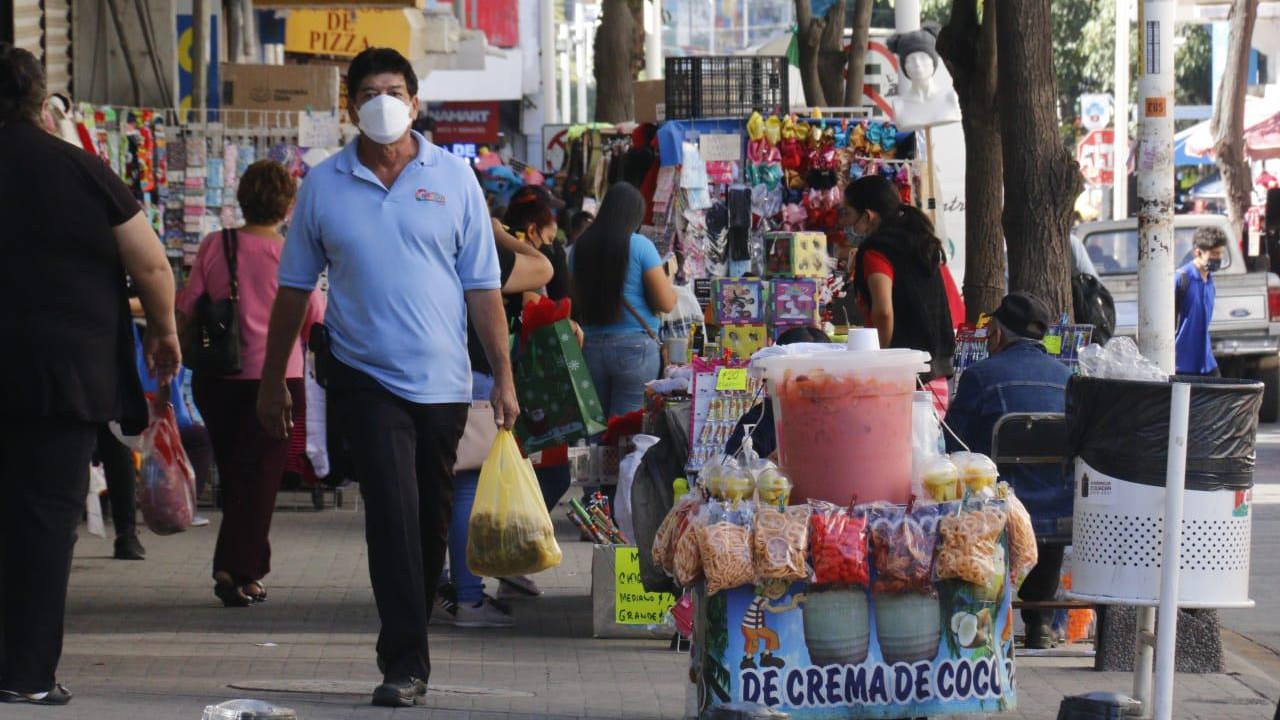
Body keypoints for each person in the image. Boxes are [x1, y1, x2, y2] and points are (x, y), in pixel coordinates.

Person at [256, 47, 517, 708]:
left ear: (416, 102)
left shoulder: (454, 180)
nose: (382, 101)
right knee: (392, 514)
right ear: (349, 105)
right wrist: (272, 380)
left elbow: (483, 286)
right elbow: (292, 290)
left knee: (428, 519)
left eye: (393, 90)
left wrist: (505, 378)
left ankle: (412, 624)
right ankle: (404, 659)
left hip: (445, 383)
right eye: (369, 91)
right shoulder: (323, 184)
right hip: (363, 377)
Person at [0, 43, 180, 706]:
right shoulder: (81, 169)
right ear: (38, 101)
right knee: (45, 524)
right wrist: (163, 331)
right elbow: (153, 265)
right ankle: (27, 675)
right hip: (63, 377)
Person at [178, 159, 325, 608]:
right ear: (288, 205)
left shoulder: (214, 245)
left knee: (239, 474)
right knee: (261, 478)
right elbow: (315, 318)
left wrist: (187, 358)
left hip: (219, 377)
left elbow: (186, 307)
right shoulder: (291, 252)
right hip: (279, 378)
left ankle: (251, 570)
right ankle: (234, 569)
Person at [942, 292, 1072, 649]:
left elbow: (951, 441)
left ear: (997, 334)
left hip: (998, 512)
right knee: (1045, 501)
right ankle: (1040, 622)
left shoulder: (981, 376)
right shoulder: (1068, 378)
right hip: (1058, 509)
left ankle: (982, 622)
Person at [844, 175, 955, 411]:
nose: (846, 225)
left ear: (868, 216)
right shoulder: (921, 243)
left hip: (904, 380)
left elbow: (883, 311)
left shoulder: (876, 251)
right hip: (936, 377)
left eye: (848, 215)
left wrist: (878, 360)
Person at [571, 182, 677, 418]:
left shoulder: (581, 247)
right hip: (635, 348)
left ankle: (594, 457)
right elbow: (666, 303)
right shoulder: (640, 246)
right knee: (627, 430)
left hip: (589, 346)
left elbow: (574, 299)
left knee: (595, 427)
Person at [724, 326, 833, 459]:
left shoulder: (839, 417)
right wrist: (768, 465)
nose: (810, 388)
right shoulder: (758, 423)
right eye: (800, 379)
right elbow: (733, 471)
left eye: (819, 376)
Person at [1175, 226, 1228, 377]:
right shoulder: (1181, 279)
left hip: (1206, 362)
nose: (1218, 258)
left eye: (1221, 254)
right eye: (1214, 254)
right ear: (1198, 252)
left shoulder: (1209, 281)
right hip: (1181, 365)